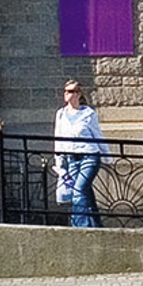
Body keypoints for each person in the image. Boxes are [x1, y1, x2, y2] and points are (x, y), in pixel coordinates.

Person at [53, 79, 109, 228]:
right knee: (85, 194)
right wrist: (59, 161)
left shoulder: (88, 113)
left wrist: (108, 156)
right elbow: (58, 137)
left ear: (78, 94)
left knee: (78, 191)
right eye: (65, 91)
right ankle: (97, 226)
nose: (67, 94)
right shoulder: (61, 114)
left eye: (71, 91)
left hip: (89, 156)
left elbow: (97, 135)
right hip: (72, 158)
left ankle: (80, 229)